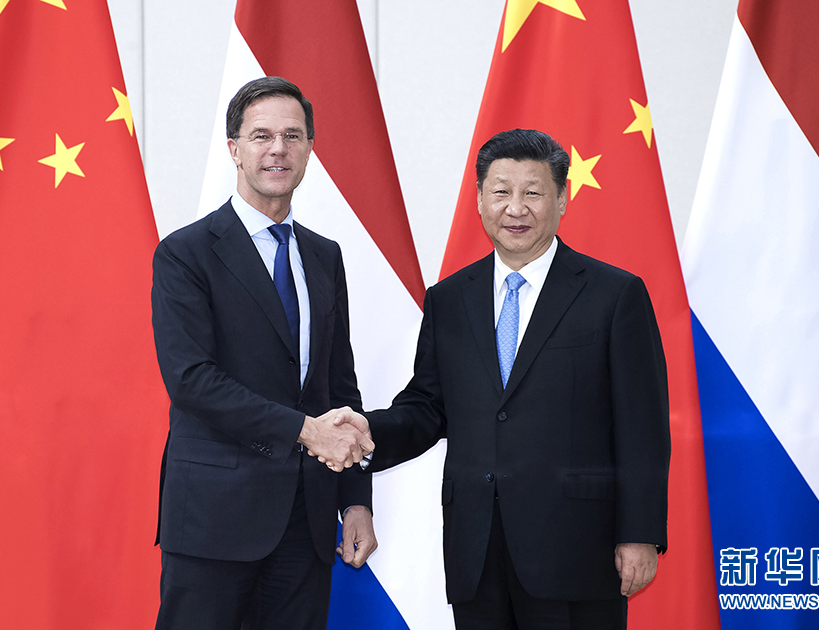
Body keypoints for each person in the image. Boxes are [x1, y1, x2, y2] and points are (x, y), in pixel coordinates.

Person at [332, 129, 670, 629]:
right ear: (479, 200)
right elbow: (428, 407)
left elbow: (642, 426)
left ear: (562, 199)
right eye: (501, 192)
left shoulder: (614, 295)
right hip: (477, 551)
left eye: (533, 192)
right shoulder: (449, 299)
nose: (516, 208)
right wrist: (364, 434)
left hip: (578, 549)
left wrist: (639, 532)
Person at [150, 76, 376, 630]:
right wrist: (306, 431)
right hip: (214, 518)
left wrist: (356, 500)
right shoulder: (185, 253)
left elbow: (339, 388)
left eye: (292, 136)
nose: (278, 149)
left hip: (307, 519)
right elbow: (192, 379)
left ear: (309, 149)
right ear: (234, 149)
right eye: (261, 136)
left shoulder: (325, 256)